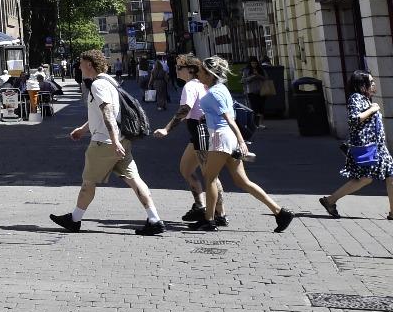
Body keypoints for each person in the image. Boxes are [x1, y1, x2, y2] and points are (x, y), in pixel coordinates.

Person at [50, 48, 165, 236]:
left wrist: (112, 140)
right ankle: (154, 219)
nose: (78, 66)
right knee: (135, 180)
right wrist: (83, 129)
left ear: (89, 65)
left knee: (88, 183)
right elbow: (101, 112)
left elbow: (108, 112)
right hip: (121, 140)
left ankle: (74, 220)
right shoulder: (109, 81)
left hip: (104, 143)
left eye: (80, 63)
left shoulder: (97, 85)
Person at [190, 56, 293, 232]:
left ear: (209, 73)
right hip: (226, 137)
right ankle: (280, 213)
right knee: (242, 181)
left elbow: (230, 119)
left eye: (200, 71)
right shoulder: (220, 88)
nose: (197, 73)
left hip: (220, 138)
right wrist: (206, 117)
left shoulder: (215, 92)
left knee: (210, 178)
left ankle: (209, 220)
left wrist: (241, 141)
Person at [151, 55, 224, 226]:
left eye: (179, 67)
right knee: (186, 169)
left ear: (190, 69)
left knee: (211, 176)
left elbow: (185, 109)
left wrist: (166, 129)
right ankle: (200, 205)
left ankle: (219, 215)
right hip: (199, 134)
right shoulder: (201, 84)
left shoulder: (190, 86)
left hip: (202, 133)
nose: (176, 70)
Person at [319, 71, 393, 221]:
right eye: (370, 82)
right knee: (365, 178)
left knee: (388, 176)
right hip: (367, 147)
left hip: (378, 147)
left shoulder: (365, 99)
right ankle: (330, 201)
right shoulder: (356, 98)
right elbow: (354, 120)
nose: (374, 84)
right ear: (361, 85)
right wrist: (372, 109)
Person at [243, 60, 268, 129]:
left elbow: (266, 78)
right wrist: (252, 77)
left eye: (255, 63)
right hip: (251, 91)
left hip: (262, 91)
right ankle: (255, 124)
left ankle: (261, 123)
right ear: (250, 64)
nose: (254, 65)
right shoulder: (247, 71)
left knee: (261, 107)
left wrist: (258, 75)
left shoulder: (261, 70)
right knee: (254, 108)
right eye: (252, 63)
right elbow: (244, 80)